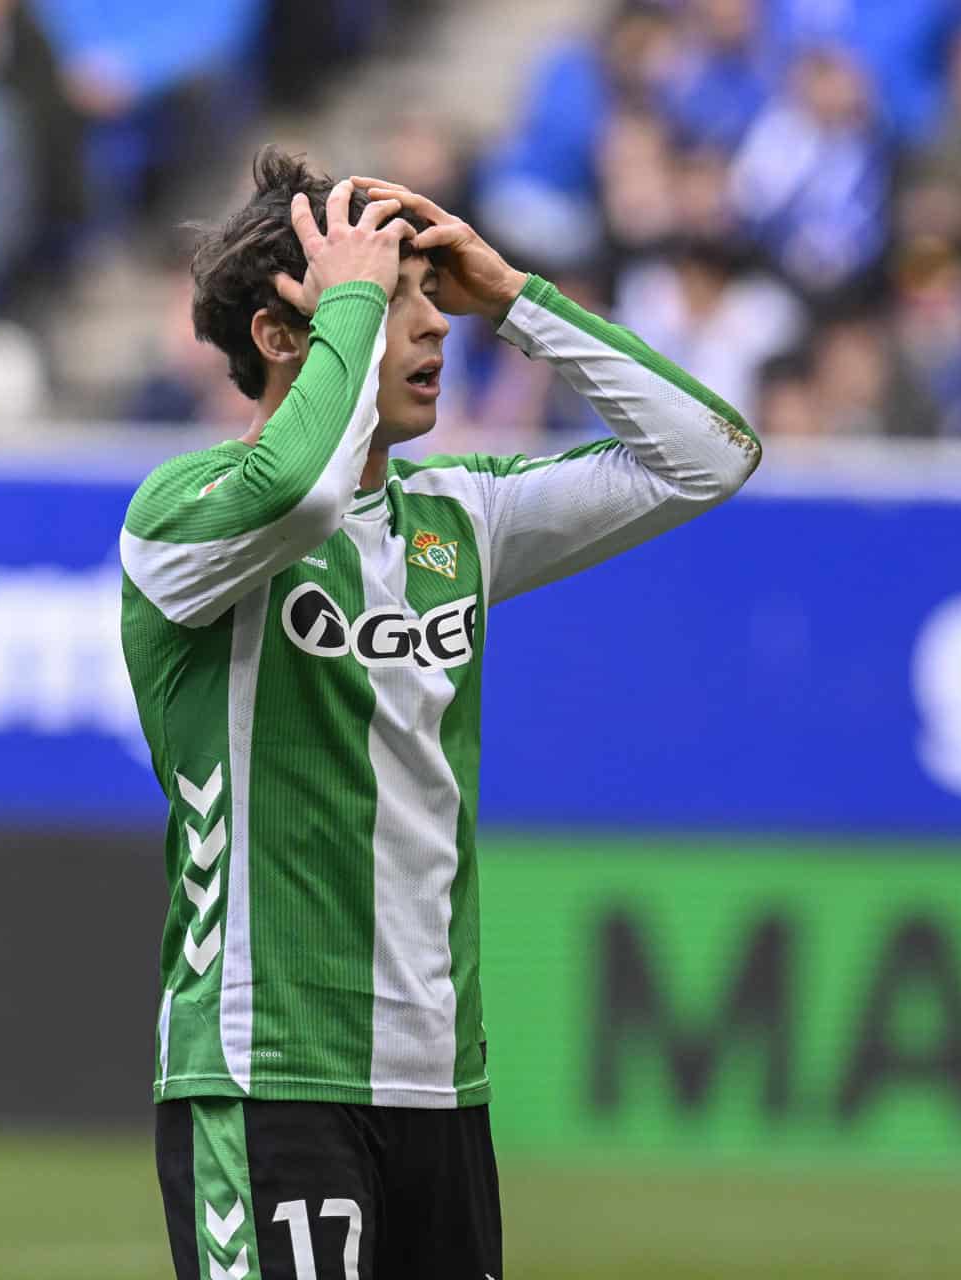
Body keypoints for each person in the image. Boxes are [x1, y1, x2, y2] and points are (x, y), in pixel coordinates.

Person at [119, 149, 760, 1279]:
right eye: (394, 298)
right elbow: (302, 489)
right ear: (281, 338)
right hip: (266, 1075)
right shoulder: (183, 520)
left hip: (439, 1083)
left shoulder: (457, 521)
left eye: (424, 294)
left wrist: (514, 295)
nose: (433, 328)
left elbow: (707, 457)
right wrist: (353, 310)